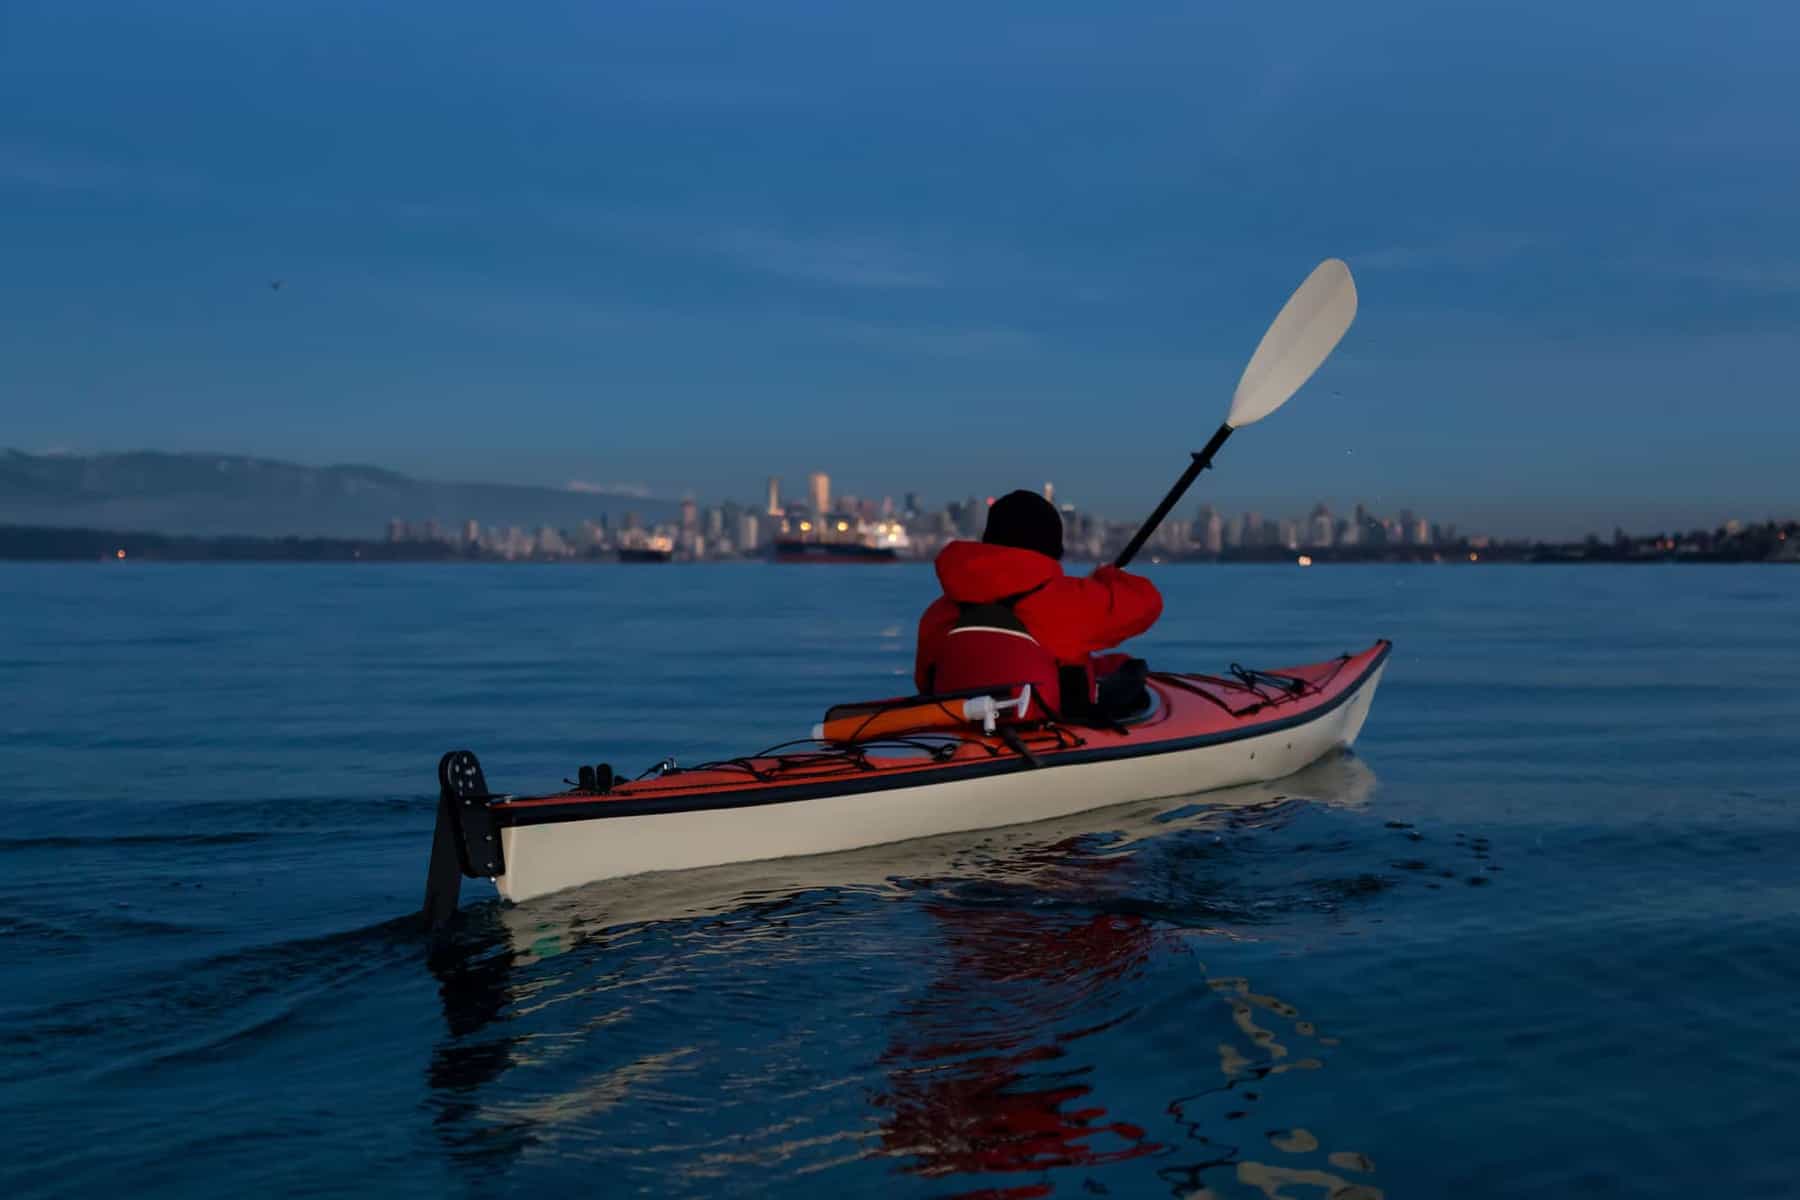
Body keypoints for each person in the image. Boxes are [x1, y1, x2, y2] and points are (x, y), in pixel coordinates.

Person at [914, 490, 1162, 719]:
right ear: (1054, 547)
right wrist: (1103, 577)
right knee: (1126, 672)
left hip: (955, 729)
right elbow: (1148, 602)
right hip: (1045, 727)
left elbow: (925, 680)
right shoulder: (1068, 601)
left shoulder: (938, 613)